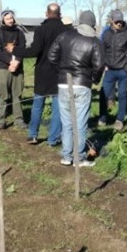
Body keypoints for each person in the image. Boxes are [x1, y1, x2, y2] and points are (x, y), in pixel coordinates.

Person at [47, 10, 104, 167]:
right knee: (80, 123)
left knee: (67, 123)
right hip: (82, 84)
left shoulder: (65, 36)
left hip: (64, 84)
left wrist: (61, 72)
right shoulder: (94, 41)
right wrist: (94, 79)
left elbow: (51, 56)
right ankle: (79, 158)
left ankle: (66, 156)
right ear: (92, 24)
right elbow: (99, 66)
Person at [15, 3, 70, 145]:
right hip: (60, 73)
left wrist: (15, 50)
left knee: (38, 104)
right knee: (57, 107)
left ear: (46, 13)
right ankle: (53, 139)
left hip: (43, 71)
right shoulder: (66, 30)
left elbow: (34, 51)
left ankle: (33, 135)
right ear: (60, 14)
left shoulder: (41, 29)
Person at [98, 9, 127, 131]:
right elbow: (101, 51)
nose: (119, 24)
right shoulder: (106, 34)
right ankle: (103, 117)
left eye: (121, 21)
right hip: (109, 70)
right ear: (111, 21)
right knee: (103, 94)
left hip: (123, 71)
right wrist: (104, 64)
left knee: (122, 94)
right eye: (116, 22)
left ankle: (120, 120)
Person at [0, 10, 27, 129]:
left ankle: (19, 119)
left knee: (17, 94)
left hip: (17, 67)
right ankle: (1, 119)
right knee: (3, 94)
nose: (10, 20)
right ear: (3, 20)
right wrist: (10, 62)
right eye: (7, 19)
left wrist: (16, 62)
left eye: (11, 18)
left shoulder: (19, 33)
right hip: (3, 68)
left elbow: (22, 48)